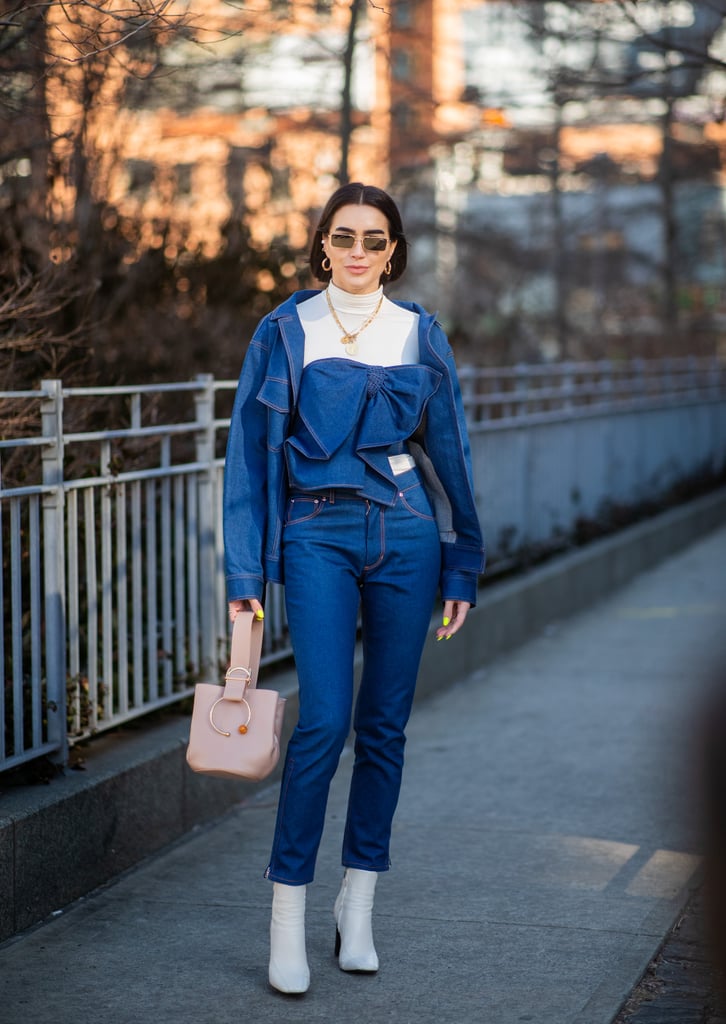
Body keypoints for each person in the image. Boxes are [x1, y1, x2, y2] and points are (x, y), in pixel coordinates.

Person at [223, 182, 485, 994]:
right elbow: (246, 459)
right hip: (315, 534)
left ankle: (358, 905)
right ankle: (286, 922)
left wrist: (461, 560)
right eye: (346, 237)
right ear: (323, 245)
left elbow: (451, 454)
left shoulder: (419, 334)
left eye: (376, 239)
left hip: (406, 534)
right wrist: (245, 573)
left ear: (395, 249)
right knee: (322, 722)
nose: (361, 251)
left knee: (384, 729)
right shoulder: (283, 329)